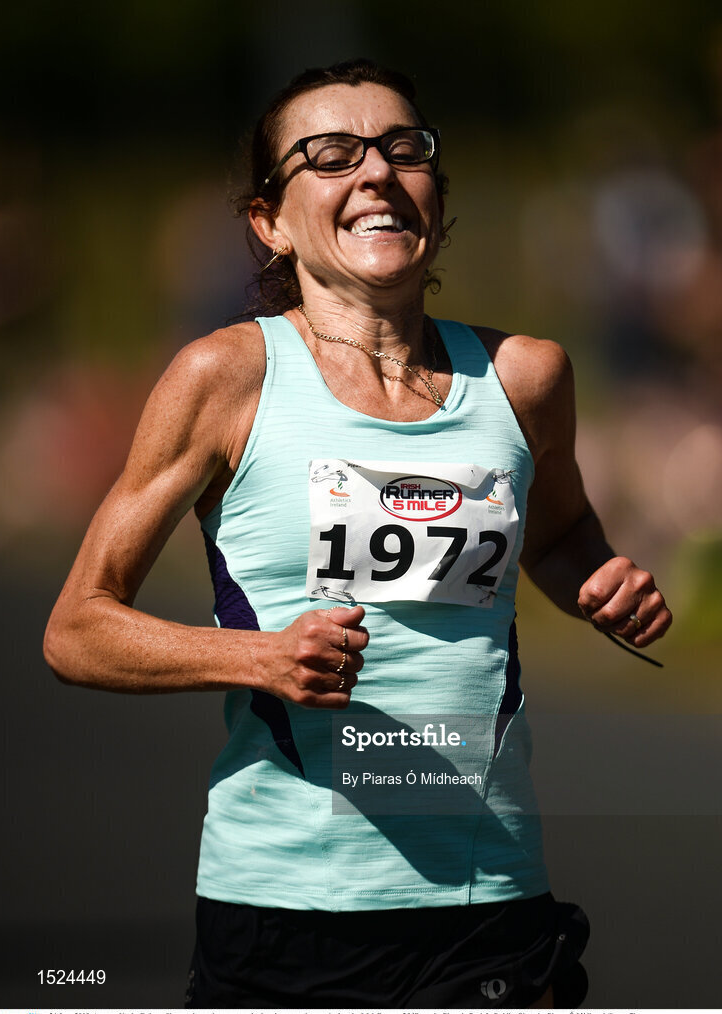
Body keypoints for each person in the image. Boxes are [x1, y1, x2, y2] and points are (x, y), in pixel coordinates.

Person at [44, 58, 672, 1008]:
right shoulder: (226, 378)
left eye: (403, 149)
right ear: (270, 221)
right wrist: (259, 660)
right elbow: (77, 627)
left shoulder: (525, 377)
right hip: (289, 905)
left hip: (492, 895)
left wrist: (600, 579)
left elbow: (559, 535)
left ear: (434, 192)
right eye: (331, 156)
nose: (375, 172)